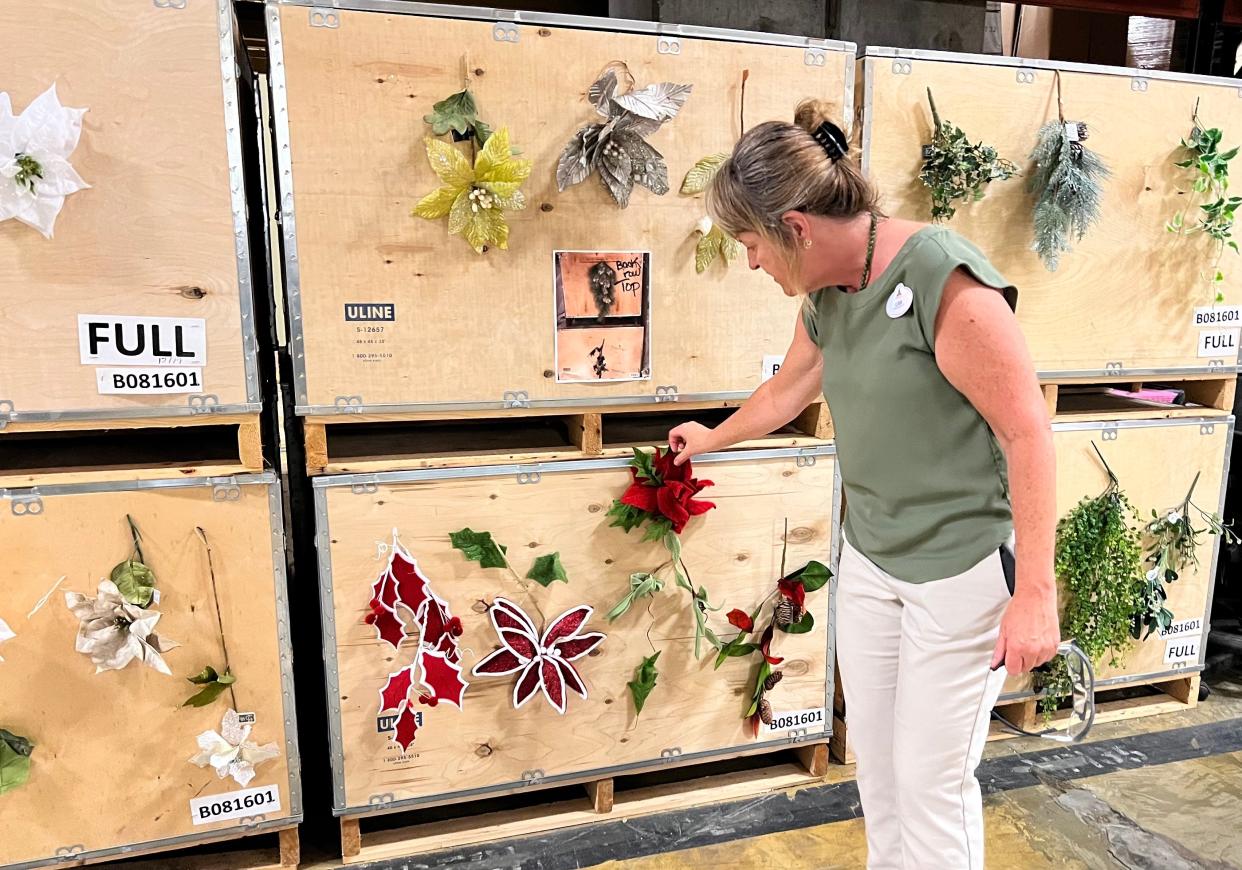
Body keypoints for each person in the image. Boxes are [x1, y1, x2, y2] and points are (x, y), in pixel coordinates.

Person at [667, 102, 1061, 869]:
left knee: (930, 785)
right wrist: (712, 437)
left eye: (751, 243)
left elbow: (1028, 433)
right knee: (878, 775)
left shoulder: (943, 279)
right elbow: (790, 389)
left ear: (796, 227)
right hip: (875, 564)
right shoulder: (826, 297)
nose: (751, 261)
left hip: (961, 572)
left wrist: (1036, 592)